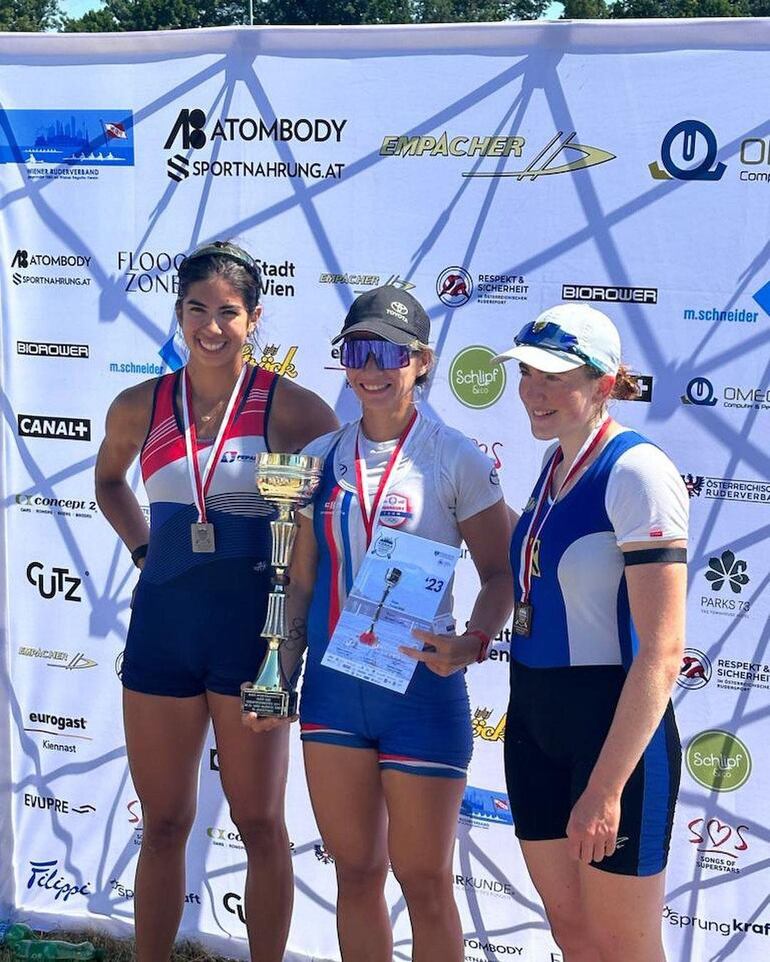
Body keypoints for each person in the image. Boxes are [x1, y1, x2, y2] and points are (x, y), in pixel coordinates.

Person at [245, 285, 514, 962]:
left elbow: (502, 575)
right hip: (337, 693)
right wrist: (280, 670)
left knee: (424, 882)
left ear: (420, 361)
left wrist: (473, 642)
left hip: (421, 694)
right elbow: (301, 580)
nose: (371, 368)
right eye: (357, 351)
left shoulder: (455, 457)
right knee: (356, 874)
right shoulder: (321, 459)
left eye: (388, 352)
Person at [95, 240, 338, 962]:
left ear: (254, 319)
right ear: (178, 313)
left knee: (261, 824)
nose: (210, 326)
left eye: (227, 312)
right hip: (162, 634)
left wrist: (286, 648)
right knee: (164, 823)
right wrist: (146, 551)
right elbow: (108, 482)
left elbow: (321, 532)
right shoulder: (140, 406)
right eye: (196, 309)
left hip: (252, 646)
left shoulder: (291, 411)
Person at [493, 304, 688, 962]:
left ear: (604, 384)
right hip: (535, 727)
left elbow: (662, 654)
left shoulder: (636, 472)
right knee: (574, 937)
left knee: (625, 949)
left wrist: (605, 790)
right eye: (528, 373)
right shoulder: (555, 466)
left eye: (555, 377)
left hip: (614, 743)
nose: (534, 392)